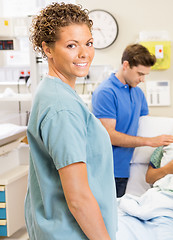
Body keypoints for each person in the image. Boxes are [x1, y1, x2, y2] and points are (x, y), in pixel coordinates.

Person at [25, 3, 116, 239]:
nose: (84, 53)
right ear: (48, 49)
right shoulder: (61, 107)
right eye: (71, 45)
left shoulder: (54, 93)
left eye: (88, 43)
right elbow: (77, 199)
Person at [92, 44, 173, 198]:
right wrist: (150, 141)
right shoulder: (106, 92)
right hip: (106, 170)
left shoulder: (138, 93)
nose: (143, 79)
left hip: (124, 170)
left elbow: (144, 125)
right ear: (126, 65)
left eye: (145, 75)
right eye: (140, 73)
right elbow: (109, 135)